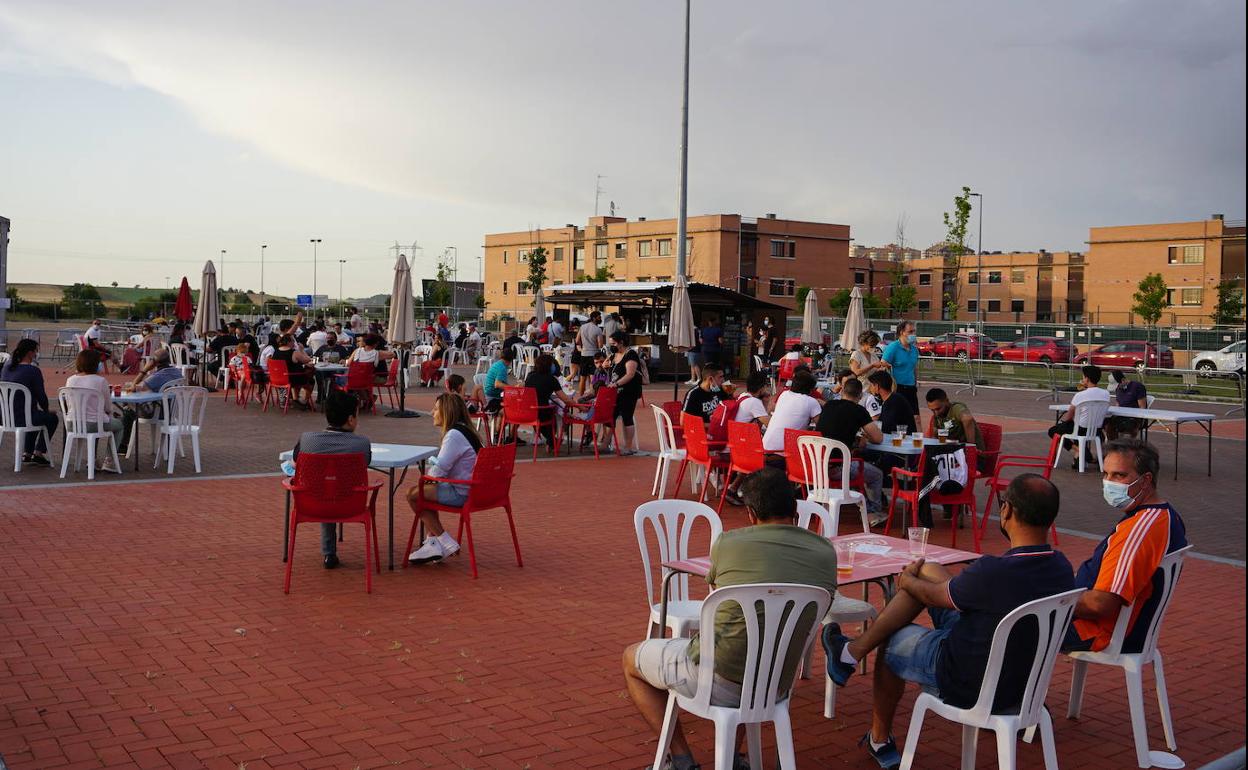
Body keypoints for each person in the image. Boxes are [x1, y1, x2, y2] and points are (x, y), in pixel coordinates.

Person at [822, 474, 1074, 769]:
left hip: (968, 680)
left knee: (891, 639)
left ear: (1007, 511)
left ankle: (878, 735)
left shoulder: (992, 572)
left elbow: (932, 594)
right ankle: (849, 654)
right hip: (1021, 682)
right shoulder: (1061, 567)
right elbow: (943, 592)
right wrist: (921, 577)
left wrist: (907, 581)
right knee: (930, 570)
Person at [623, 468, 839, 770]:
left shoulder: (728, 544)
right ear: (795, 507)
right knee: (750, 645)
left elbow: (716, 590)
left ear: (750, 513)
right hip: (777, 682)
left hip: (718, 678)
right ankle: (733, 757)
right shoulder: (826, 552)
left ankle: (682, 759)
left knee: (632, 659)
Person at [1064, 439, 1187, 654]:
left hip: (1098, 630)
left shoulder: (1140, 529)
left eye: (1119, 475)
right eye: (1106, 474)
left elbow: (1102, 604)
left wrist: (1054, 599)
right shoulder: (1165, 514)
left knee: (1003, 620)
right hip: (1113, 623)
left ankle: (1011, 687)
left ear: (1146, 480)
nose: (1109, 482)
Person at [288, 390, 370, 569]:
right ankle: (330, 553)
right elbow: (366, 462)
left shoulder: (307, 440)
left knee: (325, 489)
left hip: (312, 503)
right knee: (333, 490)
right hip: (351, 503)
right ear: (350, 419)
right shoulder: (362, 444)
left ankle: (328, 553)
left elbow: (295, 460)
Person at [407, 393, 483, 564]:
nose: (432, 412)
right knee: (424, 491)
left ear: (446, 412)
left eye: (436, 409)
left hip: (463, 492)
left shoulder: (454, 435)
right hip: (477, 490)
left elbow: (439, 470)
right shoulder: (467, 431)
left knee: (413, 494)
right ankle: (432, 542)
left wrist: (427, 481)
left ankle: (443, 540)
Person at [817, 377, 887, 524]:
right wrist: (864, 437)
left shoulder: (828, 406)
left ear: (842, 391)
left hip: (817, 464)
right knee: (876, 475)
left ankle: (861, 503)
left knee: (854, 465)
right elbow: (878, 438)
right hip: (836, 467)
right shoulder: (859, 410)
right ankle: (873, 513)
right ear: (860, 396)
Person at [64, 350, 128, 473]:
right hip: (93, 423)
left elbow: (68, 402)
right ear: (95, 364)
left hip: (73, 423)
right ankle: (109, 460)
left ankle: (92, 460)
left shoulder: (70, 380)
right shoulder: (100, 381)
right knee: (118, 425)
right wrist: (109, 413)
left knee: (99, 421)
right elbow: (108, 407)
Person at [0, 339, 58, 467]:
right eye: (36, 351)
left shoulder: (7, 367)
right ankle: (38, 452)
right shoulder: (33, 371)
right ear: (30, 353)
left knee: (34, 415)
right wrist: (46, 409)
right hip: (23, 417)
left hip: (4, 417)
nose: (36, 354)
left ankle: (27, 453)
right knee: (51, 418)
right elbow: (41, 396)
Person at [1048, 364, 1111, 468]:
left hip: (1080, 429)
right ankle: (1079, 456)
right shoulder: (1106, 394)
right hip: (1096, 429)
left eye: (1083, 377)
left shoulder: (1080, 395)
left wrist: (1064, 422)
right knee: (1074, 425)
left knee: (1053, 430)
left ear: (1086, 378)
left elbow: (1069, 416)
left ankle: (1078, 449)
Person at [762, 369, 823, 452]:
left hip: (765, 448)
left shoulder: (784, 394)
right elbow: (821, 427)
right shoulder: (811, 402)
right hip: (784, 454)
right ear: (811, 389)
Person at [524, 353, 575, 449]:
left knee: (547, 411)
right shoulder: (551, 380)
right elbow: (566, 399)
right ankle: (552, 440)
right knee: (553, 412)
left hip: (527, 410)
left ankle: (550, 440)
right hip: (541, 412)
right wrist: (580, 406)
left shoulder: (530, 376)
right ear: (548, 366)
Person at [607, 330, 643, 456]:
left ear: (621, 342)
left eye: (613, 343)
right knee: (610, 416)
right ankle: (606, 443)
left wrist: (616, 384)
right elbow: (608, 367)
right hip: (614, 392)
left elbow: (630, 374)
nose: (611, 345)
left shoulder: (631, 354)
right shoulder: (614, 355)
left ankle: (628, 447)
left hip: (628, 391)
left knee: (627, 416)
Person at [881, 320, 919, 417]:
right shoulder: (893, 347)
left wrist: (915, 383)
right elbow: (883, 364)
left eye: (914, 331)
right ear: (902, 332)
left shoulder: (914, 349)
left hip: (910, 387)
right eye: (910, 332)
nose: (913, 334)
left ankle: (916, 432)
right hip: (897, 387)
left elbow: (914, 367)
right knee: (897, 416)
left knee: (915, 417)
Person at [271, 334, 316, 408]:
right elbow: (308, 360)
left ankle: (295, 399)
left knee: (299, 375)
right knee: (311, 381)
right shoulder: (294, 352)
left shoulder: (276, 351)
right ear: (289, 342)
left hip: (277, 379)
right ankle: (305, 401)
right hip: (292, 379)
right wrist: (302, 350)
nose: (294, 343)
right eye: (293, 341)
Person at [868, 370, 916, 436]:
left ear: (877, 386)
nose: (870, 388)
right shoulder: (892, 399)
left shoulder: (894, 402)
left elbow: (886, 427)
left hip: (903, 441)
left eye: (871, 385)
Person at [1105, 369, 1148, 440]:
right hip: (1121, 416)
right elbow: (1118, 404)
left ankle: (1120, 445)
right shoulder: (1118, 389)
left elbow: (1142, 407)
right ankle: (1113, 445)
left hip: (1133, 418)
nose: (1117, 388)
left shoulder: (1137, 387)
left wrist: (1138, 420)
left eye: (1118, 385)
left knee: (1122, 426)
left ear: (1123, 380)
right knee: (1106, 423)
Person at [576, 311, 605, 397]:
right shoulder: (598, 329)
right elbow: (600, 345)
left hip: (584, 354)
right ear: (594, 318)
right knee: (593, 377)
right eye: (599, 317)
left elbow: (577, 341)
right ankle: (593, 396)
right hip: (594, 355)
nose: (600, 319)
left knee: (582, 378)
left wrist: (583, 346)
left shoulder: (582, 327)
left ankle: (581, 397)